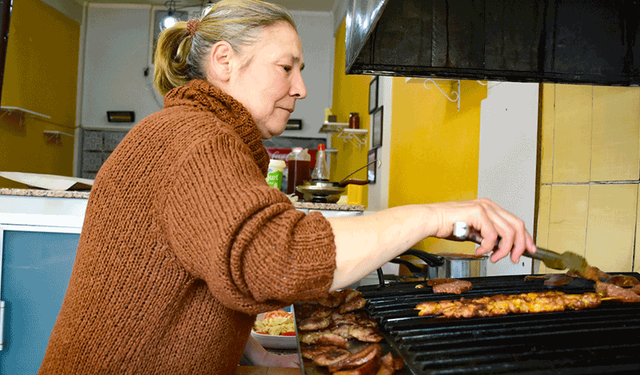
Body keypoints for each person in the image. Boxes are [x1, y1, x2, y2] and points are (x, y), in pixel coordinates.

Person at [38, 0, 535, 373]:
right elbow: (279, 261)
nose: (299, 88)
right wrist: (434, 215)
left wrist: (251, 352)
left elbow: (200, 276)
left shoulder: (198, 133)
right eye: (286, 67)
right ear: (225, 61)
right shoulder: (192, 137)